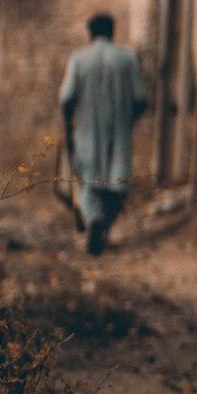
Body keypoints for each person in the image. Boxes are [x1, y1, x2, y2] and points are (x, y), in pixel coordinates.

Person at [59, 13, 147, 256]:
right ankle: (104, 224)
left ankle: (93, 219)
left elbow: (66, 98)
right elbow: (140, 99)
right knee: (117, 182)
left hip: (86, 132)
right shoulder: (128, 60)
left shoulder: (78, 60)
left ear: (90, 33)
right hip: (119, 133)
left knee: (88, 181)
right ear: (113, 32)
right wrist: (128, 120)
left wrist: (68, 127)